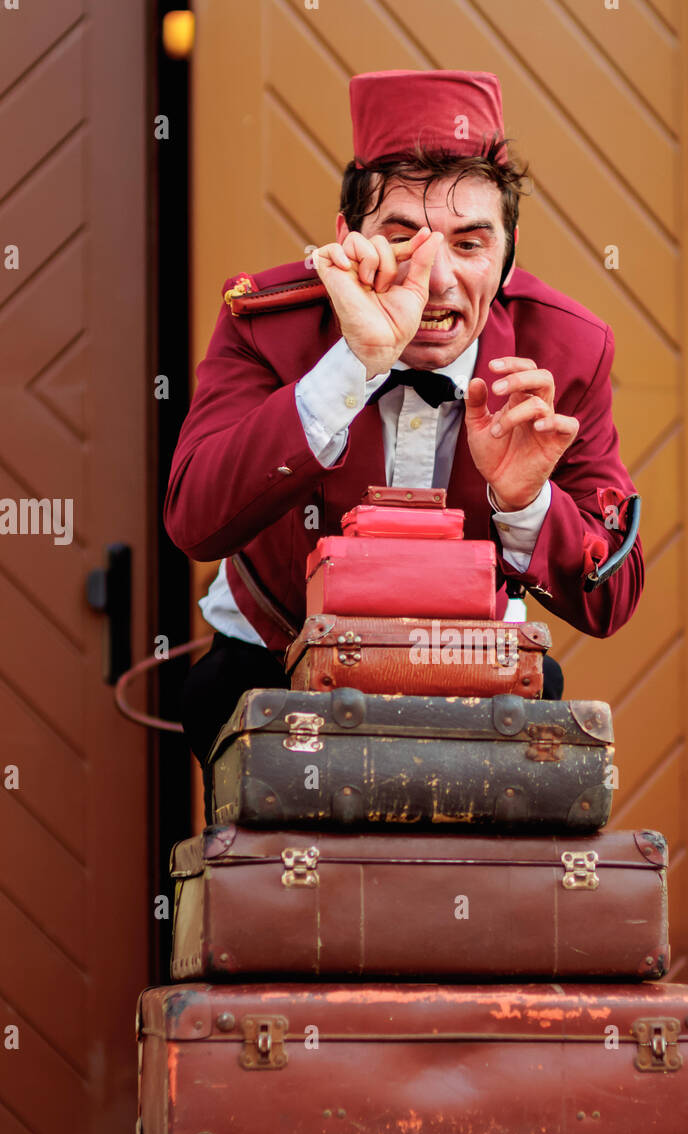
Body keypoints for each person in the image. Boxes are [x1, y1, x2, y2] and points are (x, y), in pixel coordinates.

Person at [165, 69, 644, 780]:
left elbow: (611, 596)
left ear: (509, 253)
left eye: (470, 243)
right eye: (402, 236)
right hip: (268, 667)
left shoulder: (567, 349)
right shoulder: (266, 322)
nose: (438, 277)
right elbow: (195, 521)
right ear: (347, 240)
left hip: (481, 677)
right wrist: (349, 367)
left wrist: (525, 505)